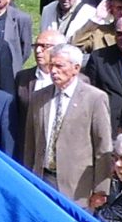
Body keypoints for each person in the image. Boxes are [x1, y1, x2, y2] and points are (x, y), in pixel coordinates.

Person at [24, 41, 115, 205]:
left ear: (76, 68)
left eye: (59, 66)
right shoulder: (39, 97)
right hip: (42, 179)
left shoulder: (94, 98)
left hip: (77, 188)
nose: (53, 71)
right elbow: (30, 143)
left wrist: (101, 189)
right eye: (51, 65)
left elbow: (103, 146)